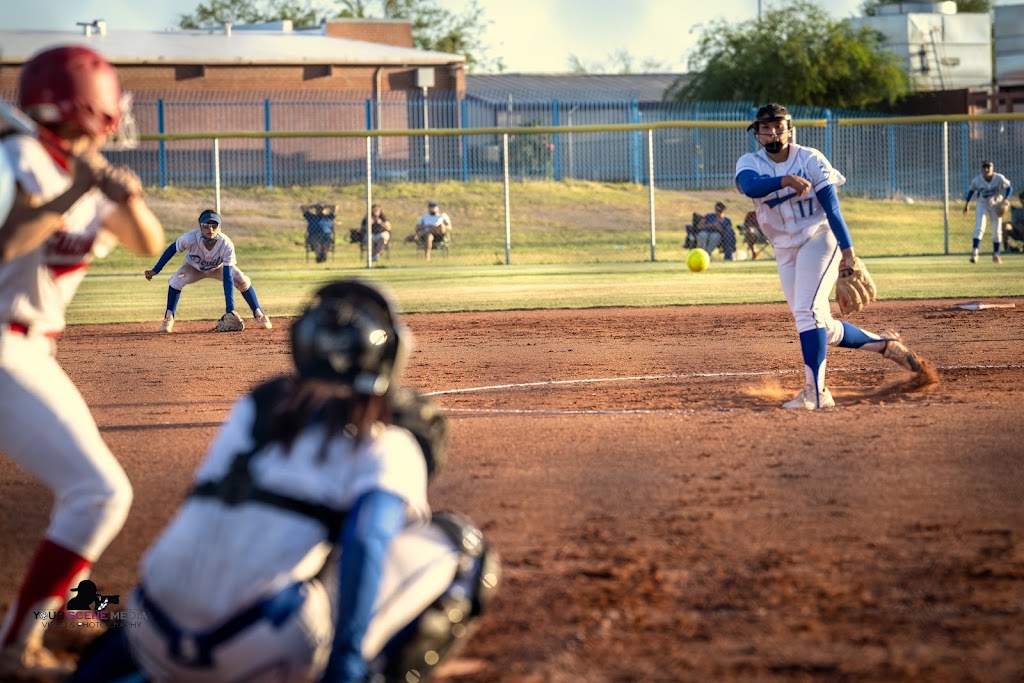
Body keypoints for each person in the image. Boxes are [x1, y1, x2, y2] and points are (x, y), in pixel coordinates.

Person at [69, 280, 499, 683]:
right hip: (262, 654)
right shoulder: (387, 440)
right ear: (390, 356)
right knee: (462, 548)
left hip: (147, 632)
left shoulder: (253, 412)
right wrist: (343, 663)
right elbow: (366, 542)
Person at [0, 44, 165, 678]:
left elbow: (145, 244)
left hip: (34, 349)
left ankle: (73, 613)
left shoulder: (83, 170)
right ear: (91, 105)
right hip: (4, 345)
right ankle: (17, 642)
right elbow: (9, 241)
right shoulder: (16, 158)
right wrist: (74, 188)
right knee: (99, 492)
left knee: (82, 486)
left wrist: (127, 197)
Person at [735, 103, 935, 410]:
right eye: (765, 127)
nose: (773, 132)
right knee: (820, 324)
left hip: (819, 237)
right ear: (757, 132)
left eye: (778, 125)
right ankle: (886, 345)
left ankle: (815, 394)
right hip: (785, 249)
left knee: (807, 312)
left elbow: (833, 209)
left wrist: (849, 253)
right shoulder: (751, 162)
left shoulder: (810, 159)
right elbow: (749, 185)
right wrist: (785, 180)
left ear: (790, 129)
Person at [144, 209, 272, 333]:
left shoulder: (226, 244)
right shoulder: (189, 238)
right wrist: (156, 270)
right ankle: (169, 318)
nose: (210, 229)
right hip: (193, 268)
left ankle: (259, 314)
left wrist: (230, 310)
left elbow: (228, 278)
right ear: (200, 227)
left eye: (214, 225)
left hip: (218, 268)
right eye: (206, 225)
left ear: (219, 227)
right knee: (176, 280)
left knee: (242, 280)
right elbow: (172, 249)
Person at [962, 160, 1012, 264]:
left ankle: (996, 255)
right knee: (979, 228)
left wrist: (1006, 199)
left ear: (992, 168)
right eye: (984, 167)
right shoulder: (977, 180)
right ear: (981, 169)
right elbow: (971, 191)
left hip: (996, 205)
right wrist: (967, 204)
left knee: (996, 230)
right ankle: (975, 253)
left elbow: (1009, 188)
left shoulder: (999, 178)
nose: (986, 169)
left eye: (988, 167)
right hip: (982, 204)